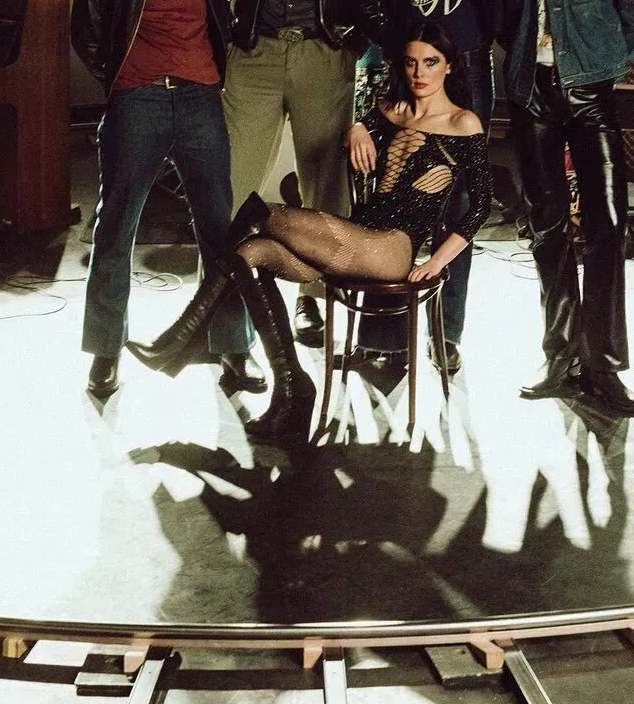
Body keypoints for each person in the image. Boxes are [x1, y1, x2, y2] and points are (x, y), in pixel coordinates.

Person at [137, 24, 491, 442]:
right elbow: (354, 133)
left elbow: (481, 206)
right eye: (411, 61)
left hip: (392, 249)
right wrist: (357, 127)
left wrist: (434, 262)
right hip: (356, 239)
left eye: (430, 62)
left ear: (448, 67)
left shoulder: (462, 123)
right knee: (249, 253)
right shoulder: (391, 110)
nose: (419, 72)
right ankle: (293, 390)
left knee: (259, 213)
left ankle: (186, 335)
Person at [70, 0, 262, 401]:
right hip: (140, 98)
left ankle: (232, 349)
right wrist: (123, 79)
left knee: (219, 232)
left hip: (202, 96)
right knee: (116, 227)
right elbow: (87, 26)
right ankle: (105, 353)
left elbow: (225, 11)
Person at [486, 0, 634, 417]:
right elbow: (499, 20)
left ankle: (603, 365)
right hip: (531, 93)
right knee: (546, 224)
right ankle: (559, 355)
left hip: (589, 93)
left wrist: (602, 62)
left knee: (607, 224)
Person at [222, 0, 381, 348]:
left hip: (323, 52)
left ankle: (314, 301)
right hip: (256, 52)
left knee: (326, 185)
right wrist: (228, 41)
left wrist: (352, 43)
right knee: (233, 181)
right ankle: (226, 305)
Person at [348, 0, 498, 369]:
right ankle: (385, 337)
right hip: (407, 74)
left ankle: (446, 334)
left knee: (459, 206)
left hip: (468, 73)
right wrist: (404, 52)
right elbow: (366, 5)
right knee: (393, 204)